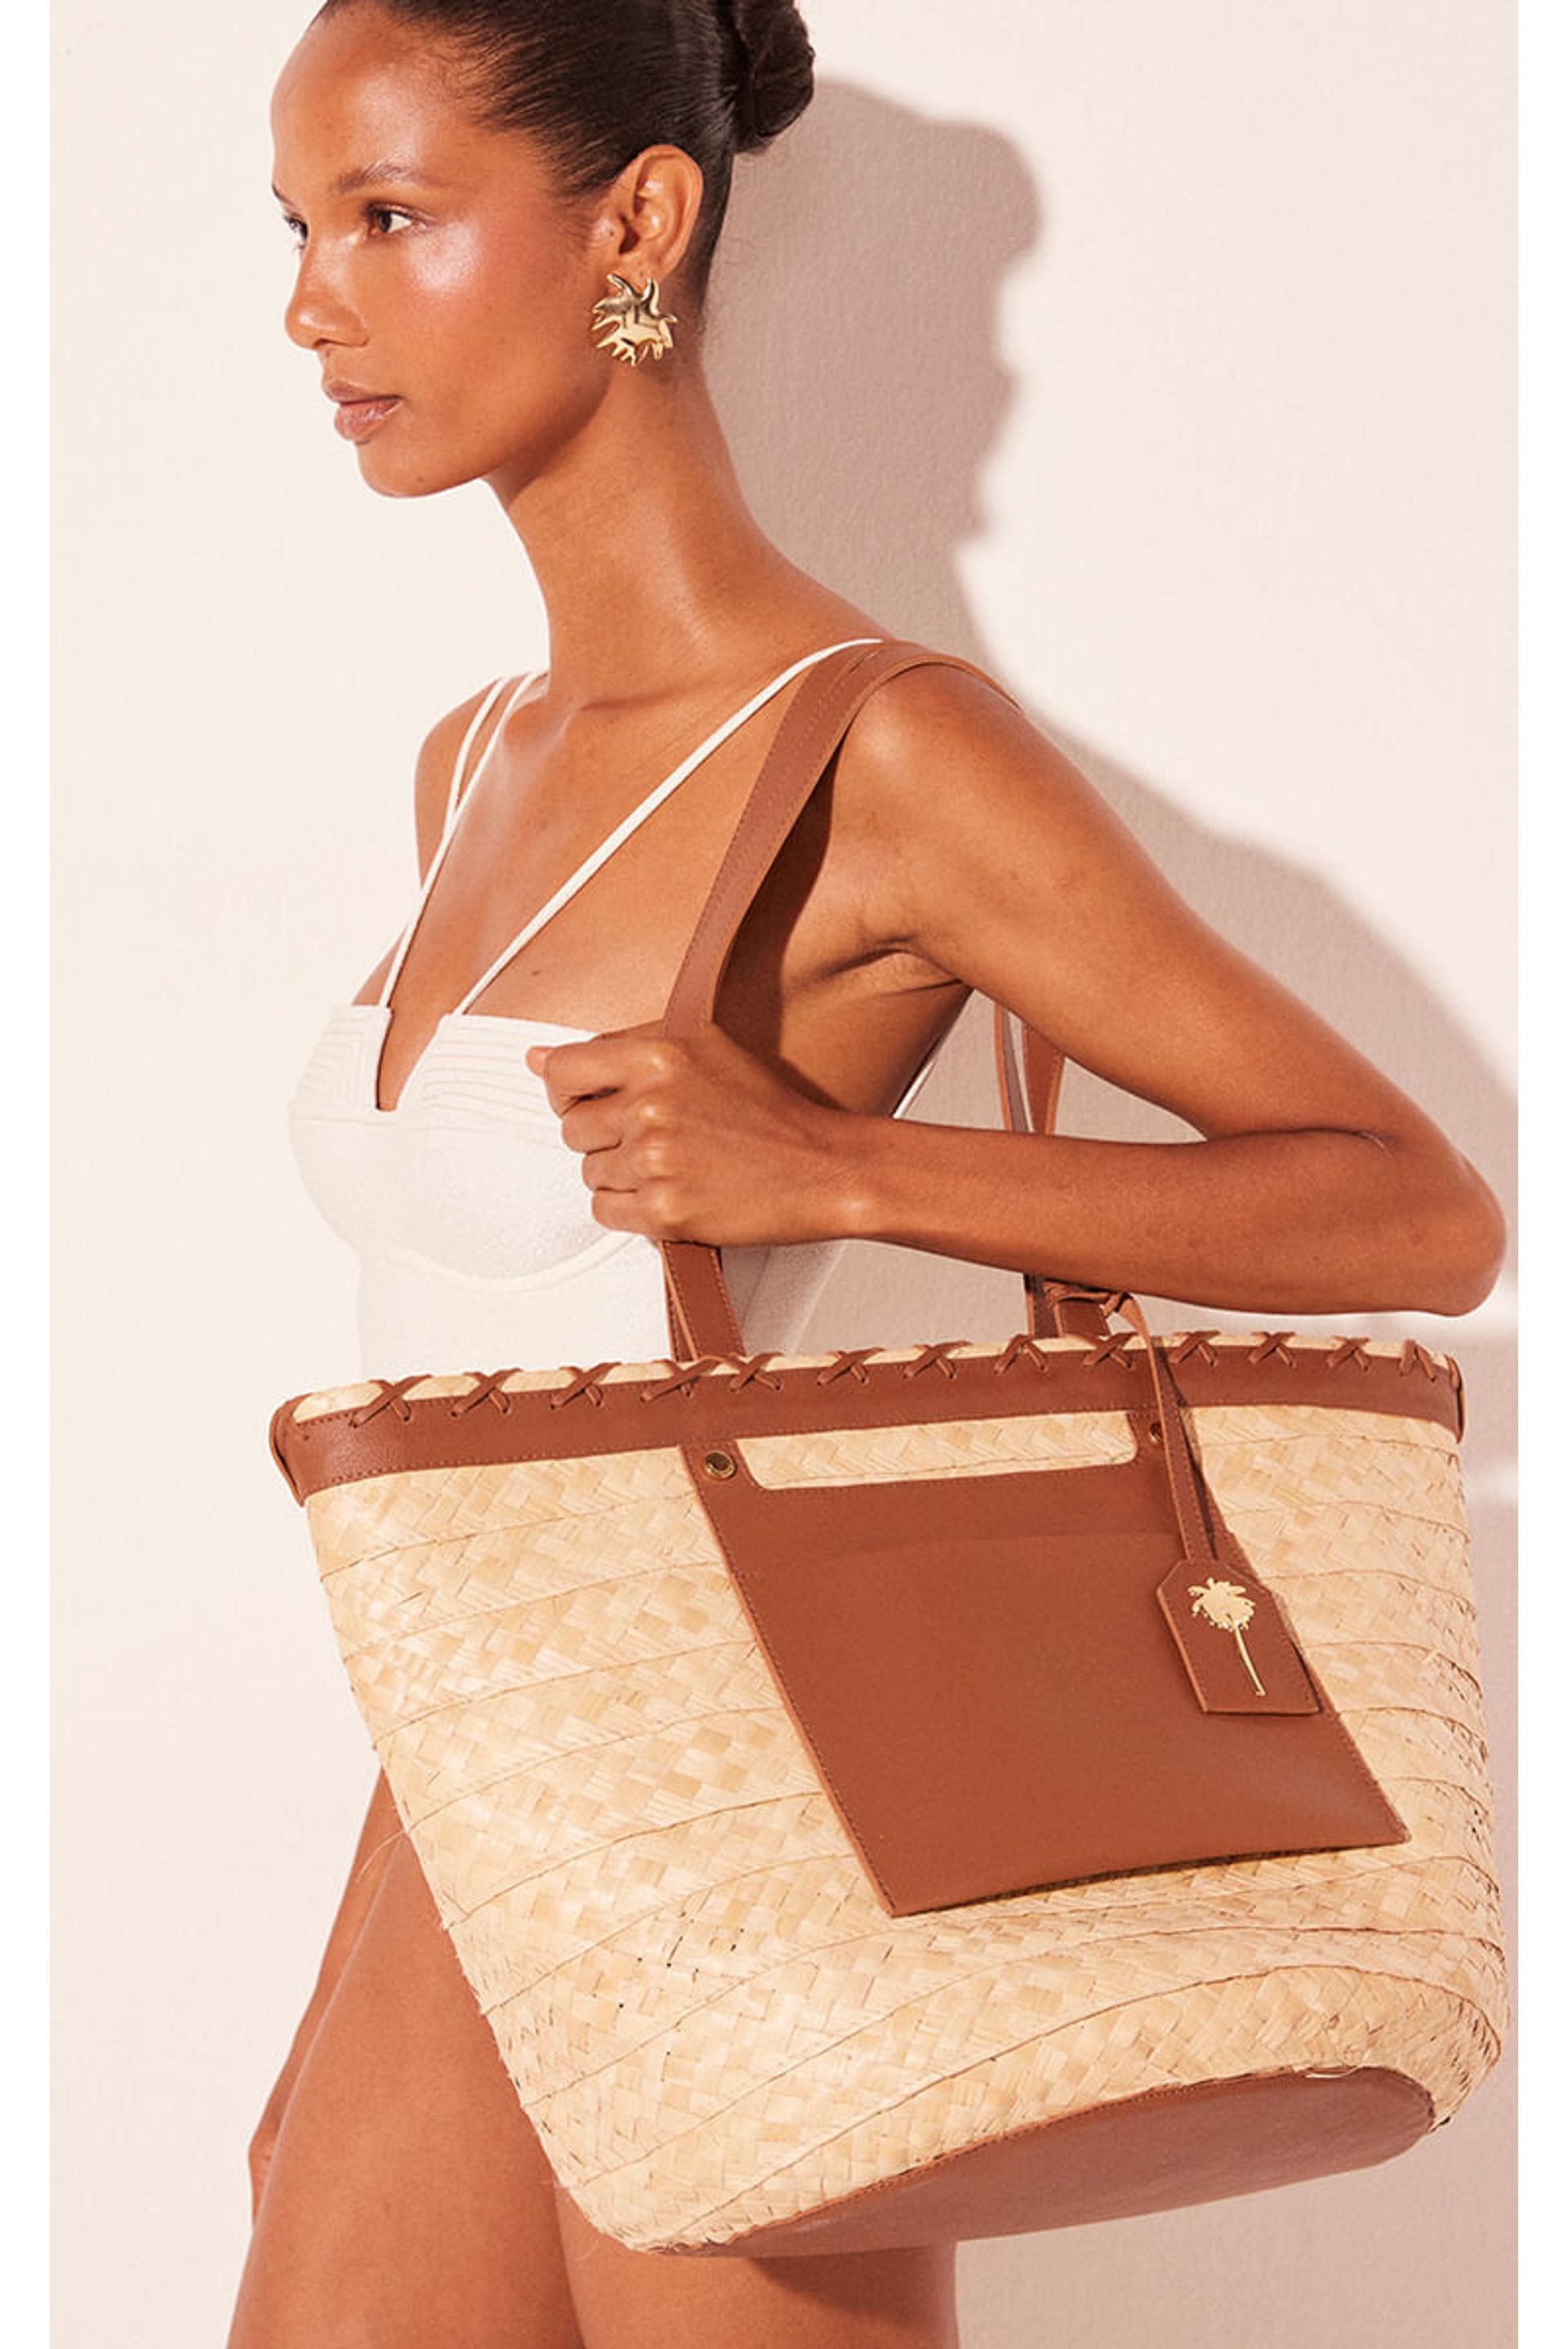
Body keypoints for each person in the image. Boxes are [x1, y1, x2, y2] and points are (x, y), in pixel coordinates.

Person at [229, 2, 1507, 2343]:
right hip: (489, 1736)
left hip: (751, 1773)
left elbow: (1413, 1209)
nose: (314, 303)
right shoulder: (476, 762)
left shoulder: (883, 754)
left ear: (638, 222)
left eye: (389, 218)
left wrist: (839, 1161)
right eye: (300, 229)